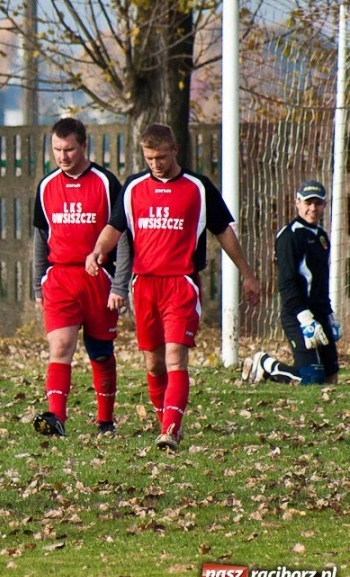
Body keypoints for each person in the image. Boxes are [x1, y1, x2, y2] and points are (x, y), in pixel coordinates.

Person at [86, 123, 261, 451]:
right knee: (153, 363)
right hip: (145, 285)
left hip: (181, 283)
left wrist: (247, 274)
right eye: (149, 157)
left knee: (175, 358)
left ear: (175, 151)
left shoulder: (198, 187)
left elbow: (224, 231)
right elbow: (115, 226)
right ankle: (164, 421)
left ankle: (170, 429)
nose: (155, 163)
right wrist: (98, 250)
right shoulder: (134, 187)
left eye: (161, 157)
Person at [31, 118, 131, 438]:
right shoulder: (46, 186)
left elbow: (122, 233)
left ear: (84, 146)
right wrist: (37, 283)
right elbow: (40, 236)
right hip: (60, 277)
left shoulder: (105, 182)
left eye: (69, 149)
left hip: (98, 278)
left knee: (100, 351)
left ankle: (105, 421)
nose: (63, 156)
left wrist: (119, 284)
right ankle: (56, 417)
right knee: (60, 346)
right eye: (57, 149)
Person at [242, 180, 340, 385]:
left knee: (331, 377)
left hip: (320, 313)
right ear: (297, 202)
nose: (312, 208)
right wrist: (304, 318)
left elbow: (320, 281)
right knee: (312, 380)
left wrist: (329, 315)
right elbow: (286, 282)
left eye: (317, 203)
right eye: (308, 202)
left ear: (324, 204)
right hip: (298, 315)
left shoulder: (322, 236)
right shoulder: (289, 236)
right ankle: (266, 364)